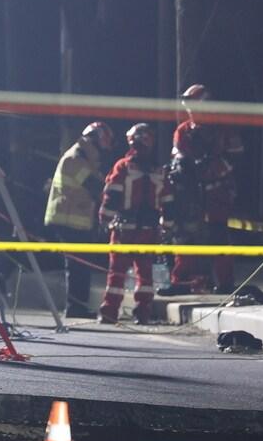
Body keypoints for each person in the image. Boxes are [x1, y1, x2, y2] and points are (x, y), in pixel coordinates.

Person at [162, 84, 243, 295]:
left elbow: (235, 158)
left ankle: (224, 282)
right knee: (185, 236)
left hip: (217, 192)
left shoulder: (222, 129)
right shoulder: (183, 131)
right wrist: (182, 171)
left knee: (218, 236)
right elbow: (178, 158)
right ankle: (181, 282)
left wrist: (210, 167)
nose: (189, 108)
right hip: (190, 193)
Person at [98, 124, 173, 325]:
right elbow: (168, 201)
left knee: (117, 273)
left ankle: (109, 312)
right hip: (149, 231)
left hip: (124, 228)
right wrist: (168, 225)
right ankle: (143, 312)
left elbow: (112, 194)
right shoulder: (159, 170)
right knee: (145, 273)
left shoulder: (123, 166)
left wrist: (104, 218)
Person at [45, 122, 116, 318]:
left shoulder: (85, 158)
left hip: (75, 219)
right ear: (96, 141)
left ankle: (78, 306)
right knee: (77, 266)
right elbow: (94, 187)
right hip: (68, 220)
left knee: (80, 265)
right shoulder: (75, 158)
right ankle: (75, 307)